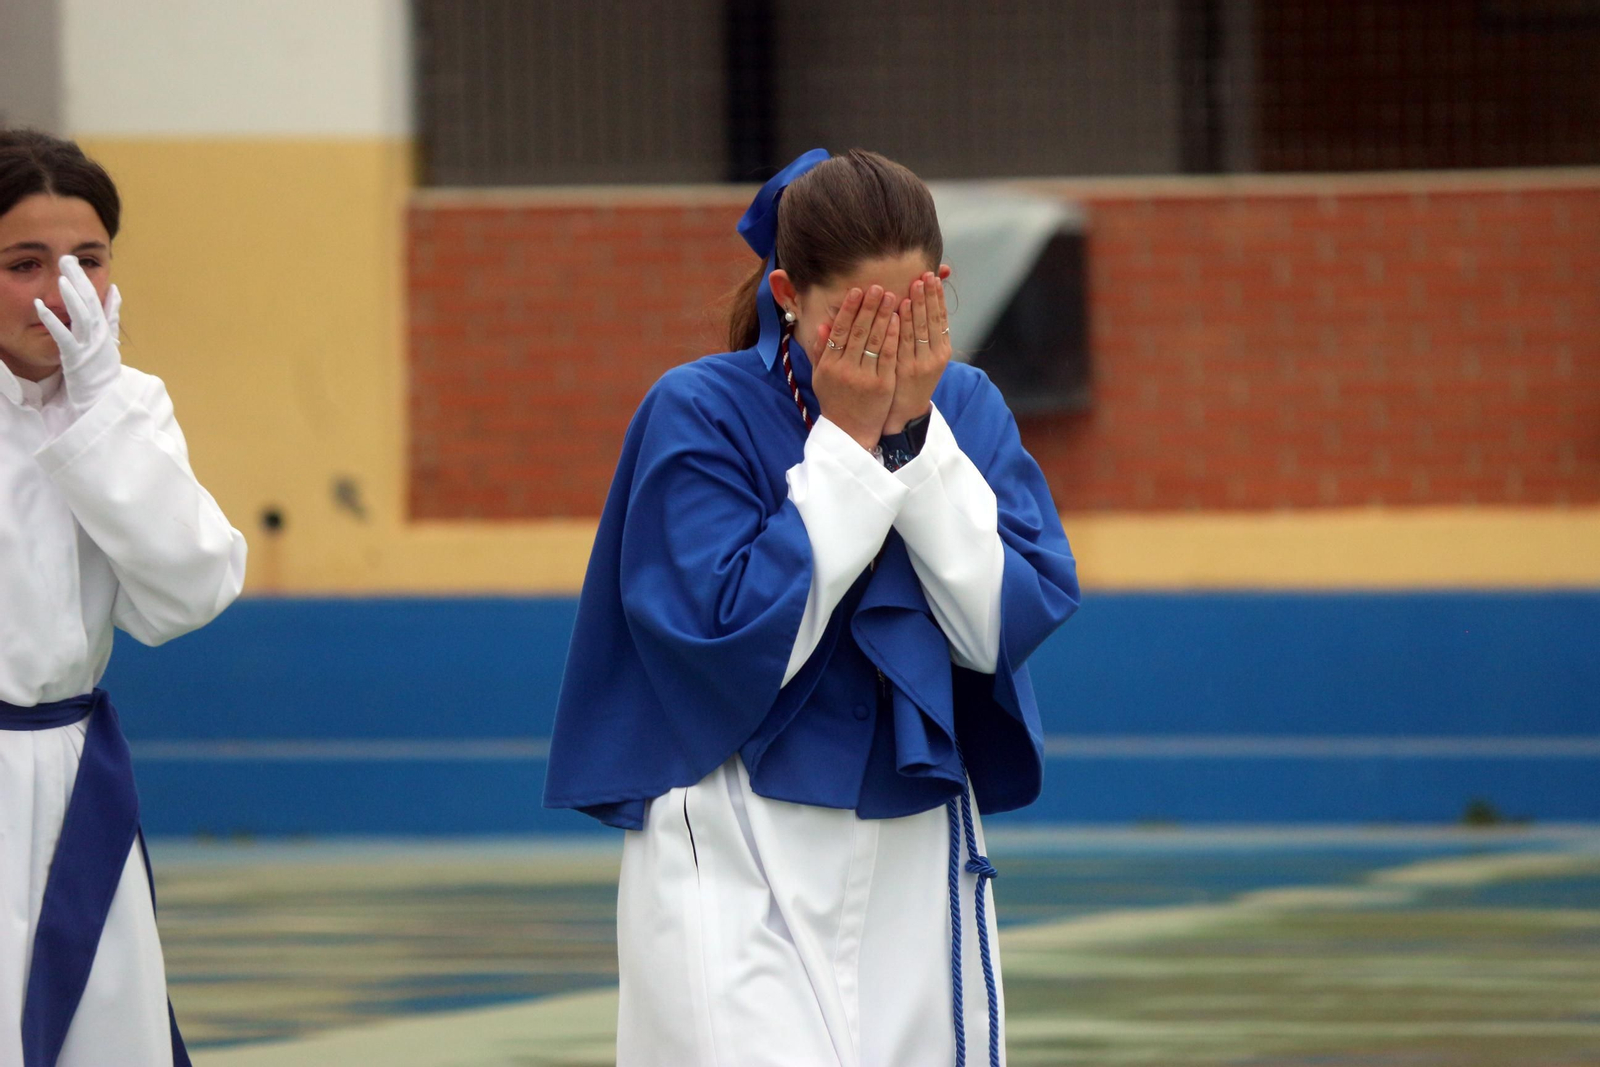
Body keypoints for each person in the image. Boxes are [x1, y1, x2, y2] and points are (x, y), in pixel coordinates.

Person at [544, 148, 1079, 1067]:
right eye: (853, 319)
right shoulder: (699, 409)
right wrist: (847, 441)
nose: (882, 348)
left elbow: (997, 627)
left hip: (916, 835)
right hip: (734, 832)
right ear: (788, 294)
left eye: (909, 312)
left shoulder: (966, 406)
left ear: (942, 287)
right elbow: (726, 639)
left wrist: (911, 442)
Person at [0, 129, 247, 1067]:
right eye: (25, 264)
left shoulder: (129, 404)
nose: (62, 291)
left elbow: (189, 590)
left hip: (72, 776)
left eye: (88, 261)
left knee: (100, 1034)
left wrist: (98, 413)